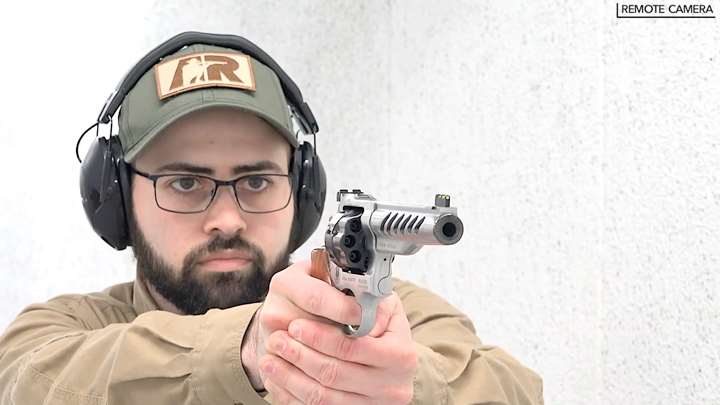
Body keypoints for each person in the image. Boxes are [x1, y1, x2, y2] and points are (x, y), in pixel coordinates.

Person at [0, 32, 543, 405]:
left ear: (303, 192)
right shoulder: (65, 330)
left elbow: (512, 388)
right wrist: (250, 349)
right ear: (115, 198)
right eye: (185, 183)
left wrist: (403, 386)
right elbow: (27, 381)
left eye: (257, 181)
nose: (227, 219)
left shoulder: (383, 317)